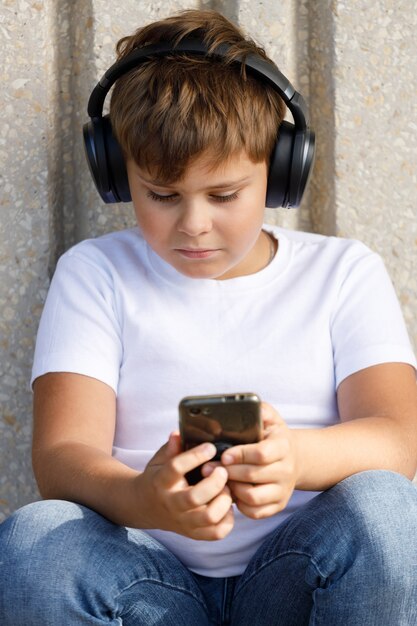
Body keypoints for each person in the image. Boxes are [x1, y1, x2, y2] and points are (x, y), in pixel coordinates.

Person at [1, 8, 417, 625]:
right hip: (147, 583)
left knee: (387, 507)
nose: (193, 224)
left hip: (298, 579)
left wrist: (295, 460)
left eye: (224, 195)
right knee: (36, 541)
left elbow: (399, 440)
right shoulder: (97, 273)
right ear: (119, 177)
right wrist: (142, 498)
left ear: (278, 171)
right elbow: (62, 455)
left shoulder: (343, 273)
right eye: (161, 195)